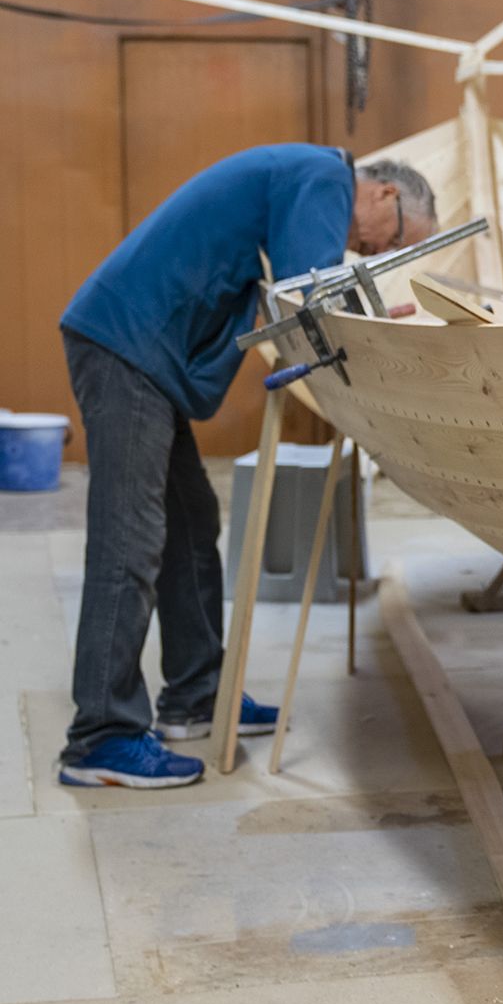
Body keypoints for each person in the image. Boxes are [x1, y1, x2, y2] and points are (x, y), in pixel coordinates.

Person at [57, 147, 436, 789]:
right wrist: (367, 337)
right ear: (384, 197)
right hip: (127, 346)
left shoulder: (300, 181)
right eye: (390, 243)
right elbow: (301, 297)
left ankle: (196, 695)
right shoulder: (324, 176)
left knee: (191, 521)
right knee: (131, 540)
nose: (371, 256)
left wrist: (360, 323)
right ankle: (100, 736)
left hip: (142, 351)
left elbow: (301, 296)